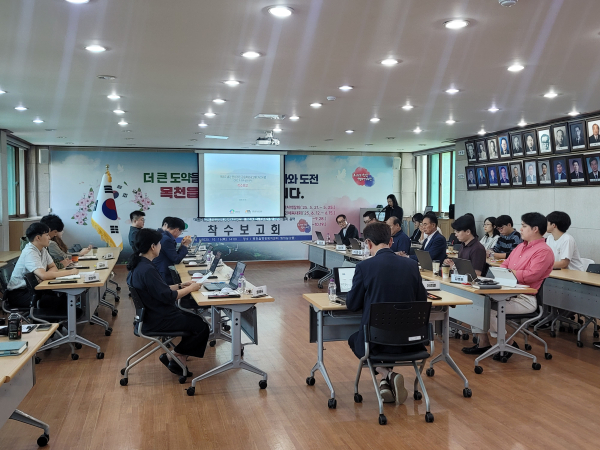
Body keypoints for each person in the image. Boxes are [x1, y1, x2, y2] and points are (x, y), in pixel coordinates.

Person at [346, 222, 427, 404]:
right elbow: (421, 300)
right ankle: (386, 378)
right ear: (391, 242)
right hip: (410, 342)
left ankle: (386, 374)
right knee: (386, 336)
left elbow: (352, 304)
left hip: (376, 342)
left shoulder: (364, 267)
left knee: (354, 339)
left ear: (368, 243)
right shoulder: (411, 265)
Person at [463, 213, 554, 359]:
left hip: (525, 298)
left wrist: (510, 273)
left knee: (488, 309)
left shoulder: (544, 251)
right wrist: (508, 272)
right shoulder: (520, 247)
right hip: (506, 291)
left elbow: (532, 275)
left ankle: (508, 343)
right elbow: (504, 265)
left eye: (524, 226)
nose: (521, 229)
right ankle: (483, 343)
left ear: (535, 229)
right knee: (477, 302)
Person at [127, 228, 209, 377]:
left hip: (150, 316)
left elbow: (159, 290)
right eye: (159, 244)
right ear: (153, 246)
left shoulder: (139, 265)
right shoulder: (147, 269)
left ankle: (178, 357)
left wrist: (180, 285)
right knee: (201, 327)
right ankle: (173, 355)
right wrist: (191, 288)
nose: (161, 246)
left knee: (195, 321)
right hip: (158, 319)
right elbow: (169, 296)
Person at [5, 223, 79, 310]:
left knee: (64, 298)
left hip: (35, 289)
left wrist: (45, 275)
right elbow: (43, 275)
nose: (49, 237)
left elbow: (53, 267)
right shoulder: (30, 252)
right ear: (38, 238)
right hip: (20, 294)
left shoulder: (43, 249)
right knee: (63, 303)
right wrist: (70, 272)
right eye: (47, 235)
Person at [152, 217, 192, 284]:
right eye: (181, 232)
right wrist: (185, 245)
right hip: (163, 273)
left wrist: (182, 245)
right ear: (177, 230)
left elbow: (173, 255)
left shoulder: (163, 236)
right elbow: (176, 259)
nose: (179, 234)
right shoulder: (166, 239)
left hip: (160, 270)